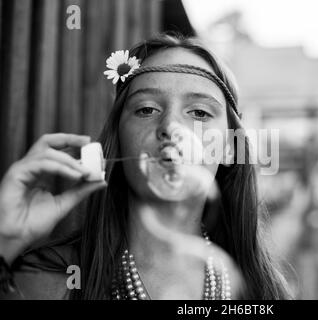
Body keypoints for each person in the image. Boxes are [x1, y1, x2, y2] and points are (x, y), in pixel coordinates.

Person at [0, 33, 290, 300]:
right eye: (146, 109)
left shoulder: (265, 293)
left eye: (199, 112)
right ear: (119, 138)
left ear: (230, 147)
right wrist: (5, 239)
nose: (171, 128)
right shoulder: (48, 281)